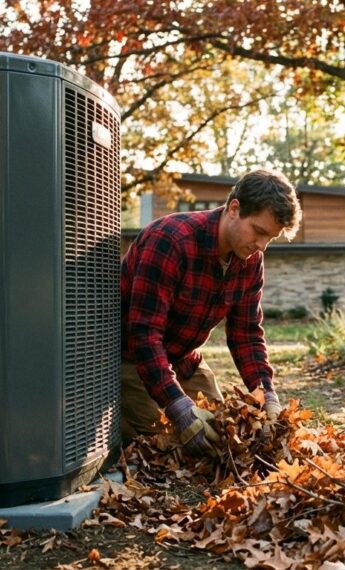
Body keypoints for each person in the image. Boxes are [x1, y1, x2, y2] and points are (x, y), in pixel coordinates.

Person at [120, 168, 302, 457]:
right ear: (234, 208)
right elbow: (144, 334)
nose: (262, 246)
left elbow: (246, 335)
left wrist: (267, 396)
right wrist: (177, 406)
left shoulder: (250, 259)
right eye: (259, 232)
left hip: (182, 359)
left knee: (224, 435)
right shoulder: (170, 240)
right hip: (130, 359)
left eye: (271, 238)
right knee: (169, 446)